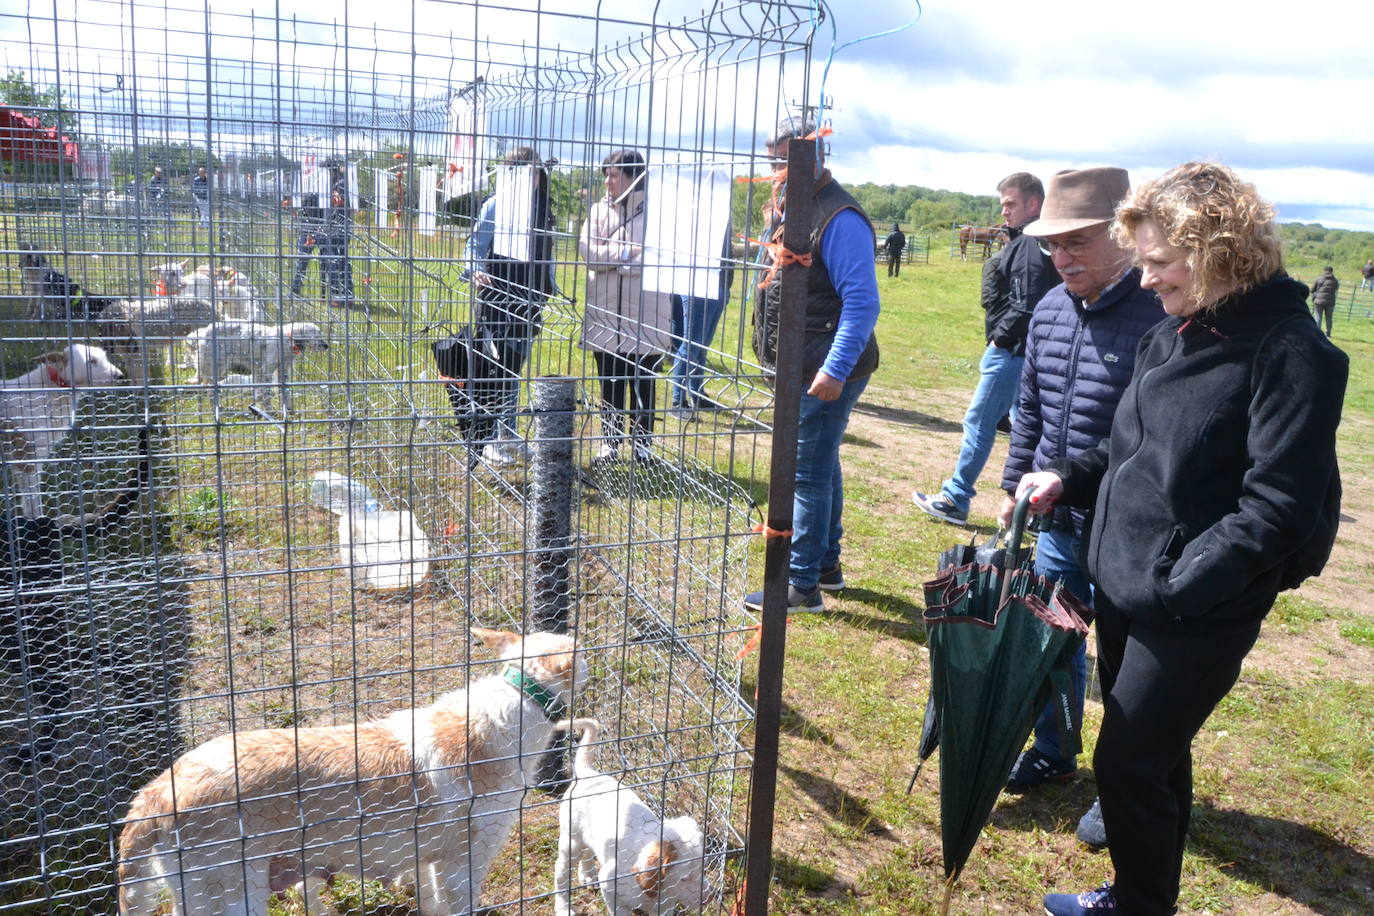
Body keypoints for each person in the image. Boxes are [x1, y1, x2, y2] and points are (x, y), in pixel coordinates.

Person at [1013, 162, 1347, 916]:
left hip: (1194, 606)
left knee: (1128, 761)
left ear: (1217, 252)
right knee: (1156, 761)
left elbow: (1279, 509)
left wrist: (1176, 585)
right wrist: (1066, 474)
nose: (1149, 279)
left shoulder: (1291, 353)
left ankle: (1134, 907)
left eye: (1161, 263)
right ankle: (1139, 898)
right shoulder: (1176, 331)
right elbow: (1133, 452)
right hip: (1127, 588)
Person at [996, 168, 1165, 849]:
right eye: (1053, 246)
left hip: (1130, 535)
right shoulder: (1049, 310)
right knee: (1053, 642)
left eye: (1079, 241)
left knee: (1128, 673)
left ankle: (1117, 789)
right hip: (1059, 523)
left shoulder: (1161, 318)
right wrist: (1014, 489)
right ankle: (1054, 751)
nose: (1063, 258)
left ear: (1123, 238)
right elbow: (1029, 411)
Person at [741, 117, 880, 612]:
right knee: (822, 463)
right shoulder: (792, 206)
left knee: (807, 471)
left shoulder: (839, 217)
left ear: (813, 158)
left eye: (785, 160)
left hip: (823, 366)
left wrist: (835, 369)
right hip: (803, 361)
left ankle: (801, 584)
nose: (776, 169)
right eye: (773, 160)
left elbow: (863, 302)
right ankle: (826, 564)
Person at [913, 173, 1057, 525]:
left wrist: (1000, 340)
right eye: (1003, 204)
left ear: (1033, 203)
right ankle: (1038, 510)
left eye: (1010, 203)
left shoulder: (1029, 244)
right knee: (1027, 427)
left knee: (979, 421)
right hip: (1026, 351)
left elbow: (1027, 304)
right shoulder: (1034, 241)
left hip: (1012, 351)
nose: (1004, 211)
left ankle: (955, 497)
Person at [462, 146, 556, 465]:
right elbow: (475, 243)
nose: (530, 178)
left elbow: (547, 252)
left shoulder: (542, 208)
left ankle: (508, 432)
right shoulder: (497, 205)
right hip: (497, 299)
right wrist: (477, 269)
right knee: (495, 368)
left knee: (514, 368)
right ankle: (487, 437)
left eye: (534, 172)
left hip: (529, 300)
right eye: (523, 171)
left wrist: (548, 286)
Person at [579, 149, 673, 464]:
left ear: (634, 178)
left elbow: (660, 257)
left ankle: (643, 447)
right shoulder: (597, 211)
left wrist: (618, 257)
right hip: (604, 313)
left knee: (643, 382)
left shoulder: (660, 213)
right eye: (606, 175)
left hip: (646, 312)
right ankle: (609, 443)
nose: (608, 181)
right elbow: (587, 252)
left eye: (615, 175)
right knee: (609, 381)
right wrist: (623, 256)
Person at [668, 231, 733, 421]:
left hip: (720, 284)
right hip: (699, 284)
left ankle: (697, 393)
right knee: (691, 343)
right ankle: (678, 401)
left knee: (702, 344)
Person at [322, 185, 355, 308]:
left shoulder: (343, 181)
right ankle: (336, 295)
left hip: (342, 227)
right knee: (333, 262)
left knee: (342, 261)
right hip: (330, 225)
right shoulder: (324, 182)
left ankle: (347, 296)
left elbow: (343, 201)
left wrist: (337, 197)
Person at [289, 192, 325, 298]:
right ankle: (295, 289)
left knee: (326, 261)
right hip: (307, 225)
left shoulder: (327, 185)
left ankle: (326, 294)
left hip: (323, 225)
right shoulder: (308, 183)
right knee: (302, 260)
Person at [1309, 264, 1338, 336]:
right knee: (1329, 318)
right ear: (1332, 271)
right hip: (1330, 302)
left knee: (1318, 317)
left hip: (1318, 301)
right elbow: (1336, 290)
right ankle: (1328, 333)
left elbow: (1312, 290)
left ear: (1324, 271)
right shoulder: (1335, 280)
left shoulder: (1319, 279)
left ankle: (1317, 333)